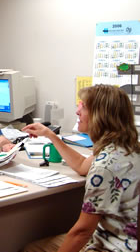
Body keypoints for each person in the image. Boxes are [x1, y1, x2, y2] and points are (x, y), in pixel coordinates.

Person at [21, 84, 140, 252]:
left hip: (113, 245)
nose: (77, 111)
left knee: (33, 249)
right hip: (127, 238)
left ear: (99, 116)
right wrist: (50, 135)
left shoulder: (105, 166)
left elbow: (82, 232)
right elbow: (82, 166)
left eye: (83, 107)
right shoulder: (127, 147)